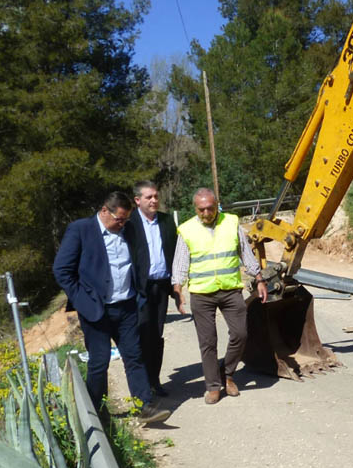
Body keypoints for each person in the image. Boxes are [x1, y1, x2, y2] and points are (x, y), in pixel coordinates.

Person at [53, 191, 170, 425]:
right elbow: (62, 270)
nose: (122, 224)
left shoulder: (128, 230)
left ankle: (143, 405)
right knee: (100, 361)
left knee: (134, 356)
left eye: (126, 220)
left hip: (126, 306)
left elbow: (138, 261)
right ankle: (97, 412)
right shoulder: (81, 230)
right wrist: (82, 299)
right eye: (119, 219)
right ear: (104, 211)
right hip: (96, 309)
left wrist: (140, 293)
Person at [172, 188, 268, 405]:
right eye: (201, 209)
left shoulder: (232, 223)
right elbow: (180, 264)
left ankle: (229, 374)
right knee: (208, 342)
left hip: (230, 290)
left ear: (217, 205)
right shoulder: (186, 230)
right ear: (195, 208)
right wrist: (178, 290)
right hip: (201, 293)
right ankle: (213, 386)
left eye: (210, 208)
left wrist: (259, 279)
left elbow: (246, 253)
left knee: (240, 334)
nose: (206, 213)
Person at [126, 180, 178, 396]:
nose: (154, 200)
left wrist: (177, 286)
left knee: (156, 334)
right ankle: (142, 385)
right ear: (137, 200)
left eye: (156, 196)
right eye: (149, 197)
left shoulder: (166, 222)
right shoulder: (129, 224)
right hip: (140, 288)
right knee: (140, 334)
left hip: (161, 287)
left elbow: (175, 252)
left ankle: (154, 380)